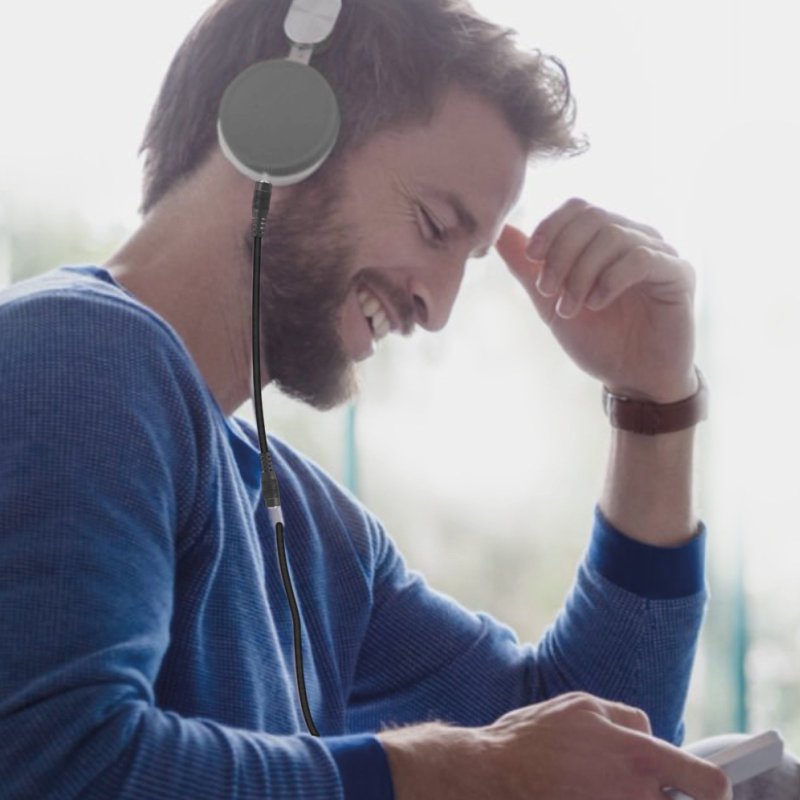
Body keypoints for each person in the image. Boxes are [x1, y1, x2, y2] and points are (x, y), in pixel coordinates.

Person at [0, 0, 795, 798]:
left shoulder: (310, 530)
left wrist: (650, 402)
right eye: (435, 224)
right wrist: (457, 769)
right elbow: (57, 764)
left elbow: (605, 746)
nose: (438, 308)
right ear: (280, 134)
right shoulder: (75, 351)